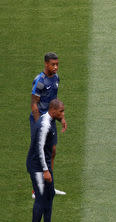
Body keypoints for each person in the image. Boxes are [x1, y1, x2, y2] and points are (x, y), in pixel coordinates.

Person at [27, 99, 66, 222]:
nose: (63, 114)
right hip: (37, 166)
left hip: (44, 165)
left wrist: (62, 119)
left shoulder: (48, 119)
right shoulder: (44, 125)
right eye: (61, 111)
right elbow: (39, 149)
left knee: (49, 194)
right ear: (53, 110)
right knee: (41, 197)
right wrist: (45, 170)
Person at [30, 52, 67, 197]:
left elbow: (55, 103)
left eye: (57, 64)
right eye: (53, 64)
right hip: (40, 121)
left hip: (51, 120)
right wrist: (39, 124)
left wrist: (61, 118)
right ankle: (36, 189)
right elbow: (34, 104)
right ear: (46, 64)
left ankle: (49, 187)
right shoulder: (40, 81)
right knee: (39, 154)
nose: (56, 67)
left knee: (52, 152)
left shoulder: (56, 78)